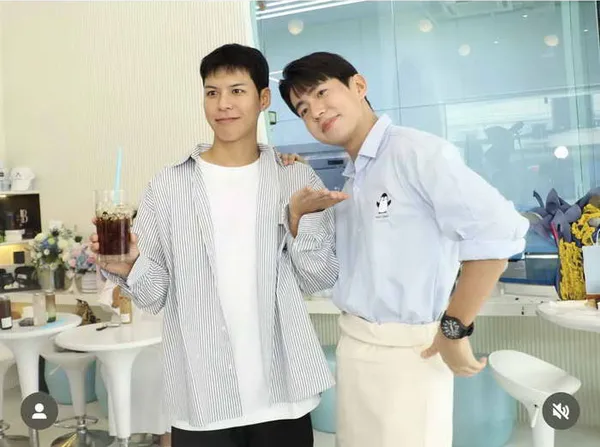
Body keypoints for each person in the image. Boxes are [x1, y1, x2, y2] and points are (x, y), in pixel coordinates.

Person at [91, 44, 347, 447]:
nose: (223, 104)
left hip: (283, 396)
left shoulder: (295, 179)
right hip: (202, 399)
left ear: (263, 98)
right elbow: (154, 296)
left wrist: (298, 222)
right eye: (212, 92)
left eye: (237, 91)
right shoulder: (168, 186)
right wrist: (129, 266)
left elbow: (318, 278)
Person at [278, 52, 530, 447]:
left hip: (410, 354)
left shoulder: (415, 152)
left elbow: (499, 232)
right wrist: (297, 204)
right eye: (303, 109)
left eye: (322, 93)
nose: (316, 112)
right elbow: (325, 273)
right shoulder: (353, 177)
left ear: (359, 86)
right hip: (355, 347)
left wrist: (454, 328)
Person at [97, 274, 171, 447]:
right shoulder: (121, 265)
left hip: (164, 340)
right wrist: (122, 289)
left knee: (164, 376)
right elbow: (109, 299)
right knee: (118, 369)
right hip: (129, 341)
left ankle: (165, 435)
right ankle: (132, 433)